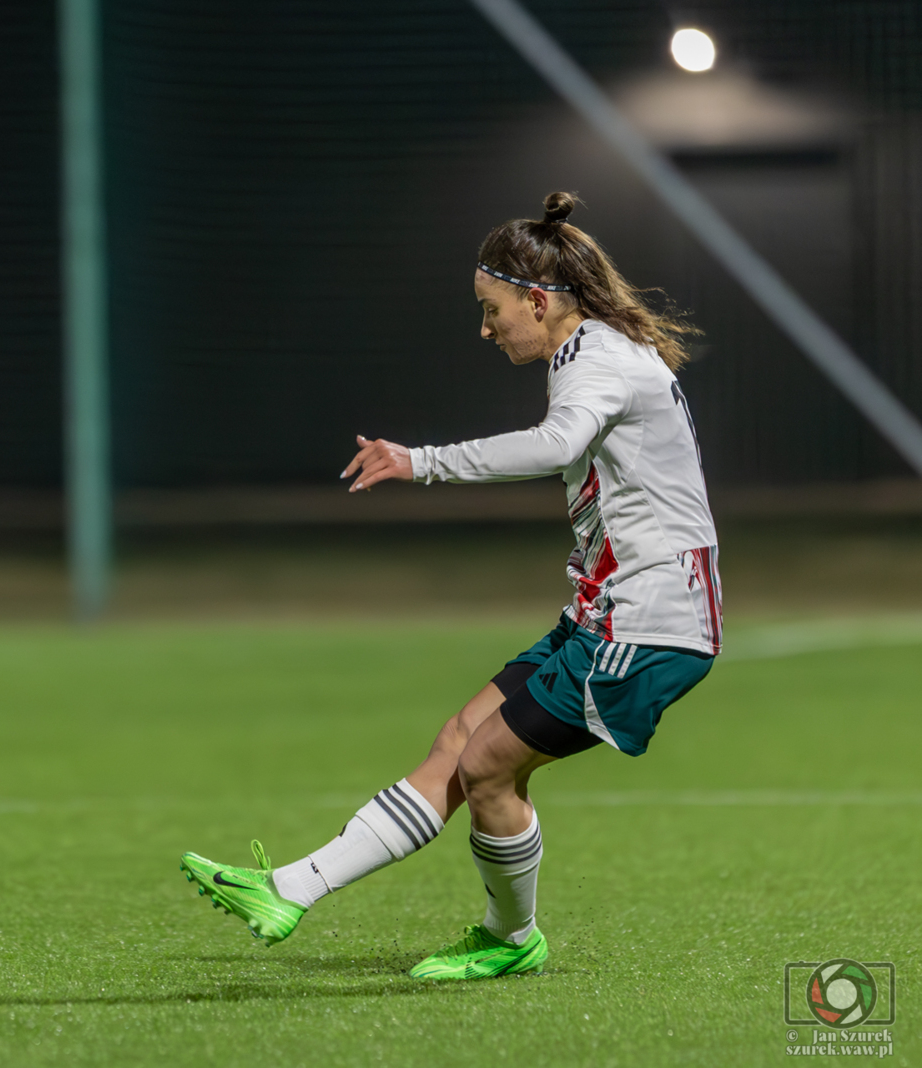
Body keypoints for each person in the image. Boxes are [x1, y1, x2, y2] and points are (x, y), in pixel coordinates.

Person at [179, 192, 721, 980]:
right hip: (605, 612)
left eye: (491, 308)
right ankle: (288, 889)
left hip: (649, 624)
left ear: (538, 300)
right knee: (459, 741)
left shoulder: (599, 358)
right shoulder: (588, 351)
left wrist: (420, 460)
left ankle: (511, 939)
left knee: (489, 766)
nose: (485, 326)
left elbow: (556, 444)